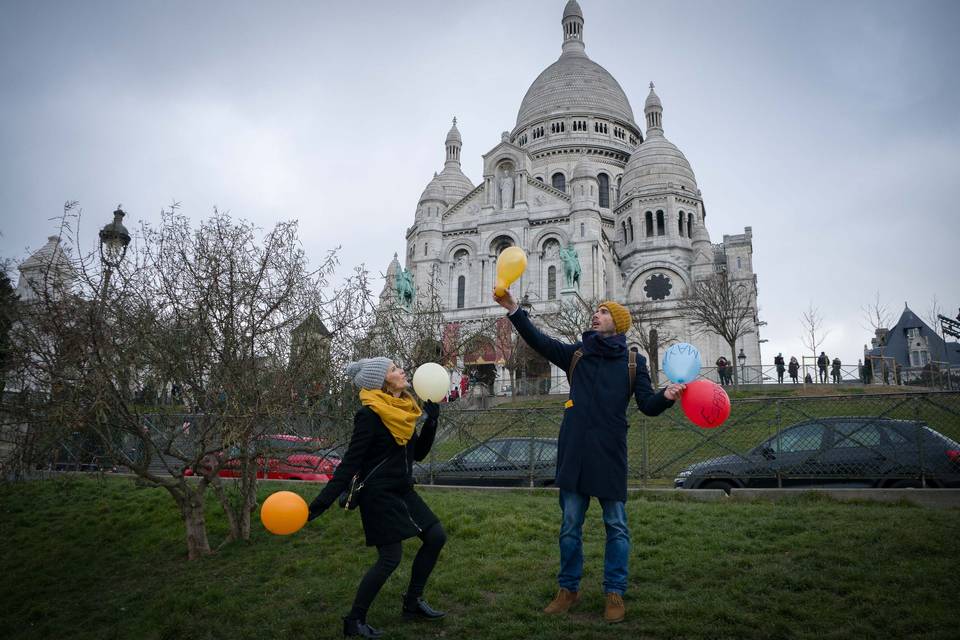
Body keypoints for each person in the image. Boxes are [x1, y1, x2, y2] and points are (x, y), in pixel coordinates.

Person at [493, 289, 684, 624]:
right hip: (575, 451)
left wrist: (665, 396)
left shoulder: (632, 363)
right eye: (596, 311)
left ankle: (614, 592)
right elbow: (540, 341)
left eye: (604, 312)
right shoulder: (576, 354)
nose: (596, 314)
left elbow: (647, 406)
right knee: (569, 527)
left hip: (609, 453)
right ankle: (568, 589)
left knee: (617, 526)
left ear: (618, 324)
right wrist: (514, 310)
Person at [308, 357, 446, 638]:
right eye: (394, 369)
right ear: (383, 381)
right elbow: (350, 464)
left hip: (403, 490)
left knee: (436, 537)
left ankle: (412, 603)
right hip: (378, 495)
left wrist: (432, 421)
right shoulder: (370, 416)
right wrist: (319, 504)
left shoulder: (405, 409)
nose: (402, 370)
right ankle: (354, 621)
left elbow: (417, 454)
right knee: (390, 558)